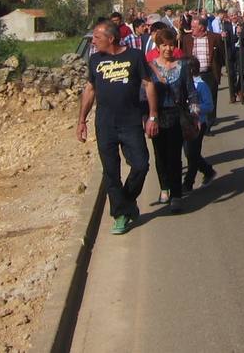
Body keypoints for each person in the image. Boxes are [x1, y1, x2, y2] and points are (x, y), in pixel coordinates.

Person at [76, 20, 158, 236]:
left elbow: (148, 84)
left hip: (130, 122)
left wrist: (152, 115)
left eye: (97, 37)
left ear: (111, 38)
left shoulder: (134, 56)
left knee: (141, 165)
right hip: (105, 125)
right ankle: (120, 214)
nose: (93, 41)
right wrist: (81, 120)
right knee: (111, 172)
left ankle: (126, 202)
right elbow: (90, 90)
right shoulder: (95, 60)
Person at [148, 26, 194, 210]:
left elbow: (191, 91)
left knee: (175, 156)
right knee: (160, 156)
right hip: (157, 116)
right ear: (158, 46)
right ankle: (164, 187)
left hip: (177, 115)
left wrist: (195, 114)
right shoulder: (150, 68)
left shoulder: (182, 66)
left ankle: (176, 194)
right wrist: (147, 118)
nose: (168, 48)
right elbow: (143, 95)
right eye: (164, 45)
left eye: (171, 45)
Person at [180, 17, 226, 126]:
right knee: (193, 98)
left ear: (201, 27)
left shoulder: (214, 37)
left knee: (210, 98)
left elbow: (221, 54)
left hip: (209, 73)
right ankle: (194, 121)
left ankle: (209, 124)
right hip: (192, 75)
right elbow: (183, 55)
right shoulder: (186, 39)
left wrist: (217, 67)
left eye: (193, 27)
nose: (191, 29)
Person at [183, 59, 217, 192]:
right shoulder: (184, 84)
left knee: (192, 153)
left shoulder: (201, 85)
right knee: (190, 153)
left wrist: (196, 108)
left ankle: (188, 183)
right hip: (185, 123)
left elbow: (209, 106)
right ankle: (208, 171)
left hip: (198, 124)